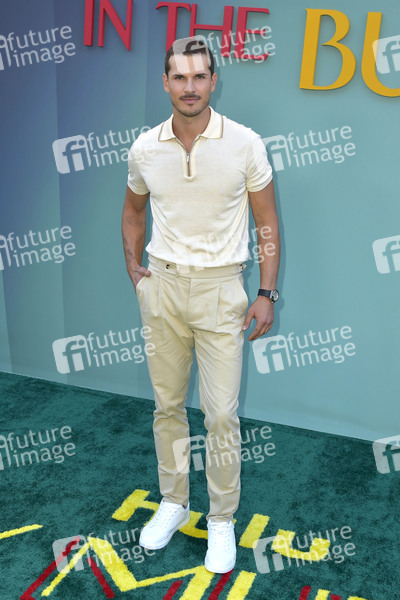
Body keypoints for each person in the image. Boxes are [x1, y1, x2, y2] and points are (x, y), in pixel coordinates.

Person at [121, 36, 280, 574]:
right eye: (179, 77)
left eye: (199, 76)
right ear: (165, 82)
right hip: (162, 288)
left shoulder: (245, 143)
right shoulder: (145, 148)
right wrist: (135, 269)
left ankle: (221, 519)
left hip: (222, 292)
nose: (189, 87)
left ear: (213, 81)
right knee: (167, 406)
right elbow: (133, 211)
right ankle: (173, 502)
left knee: (221, 415)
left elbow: (266, 223)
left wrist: (266, 292)